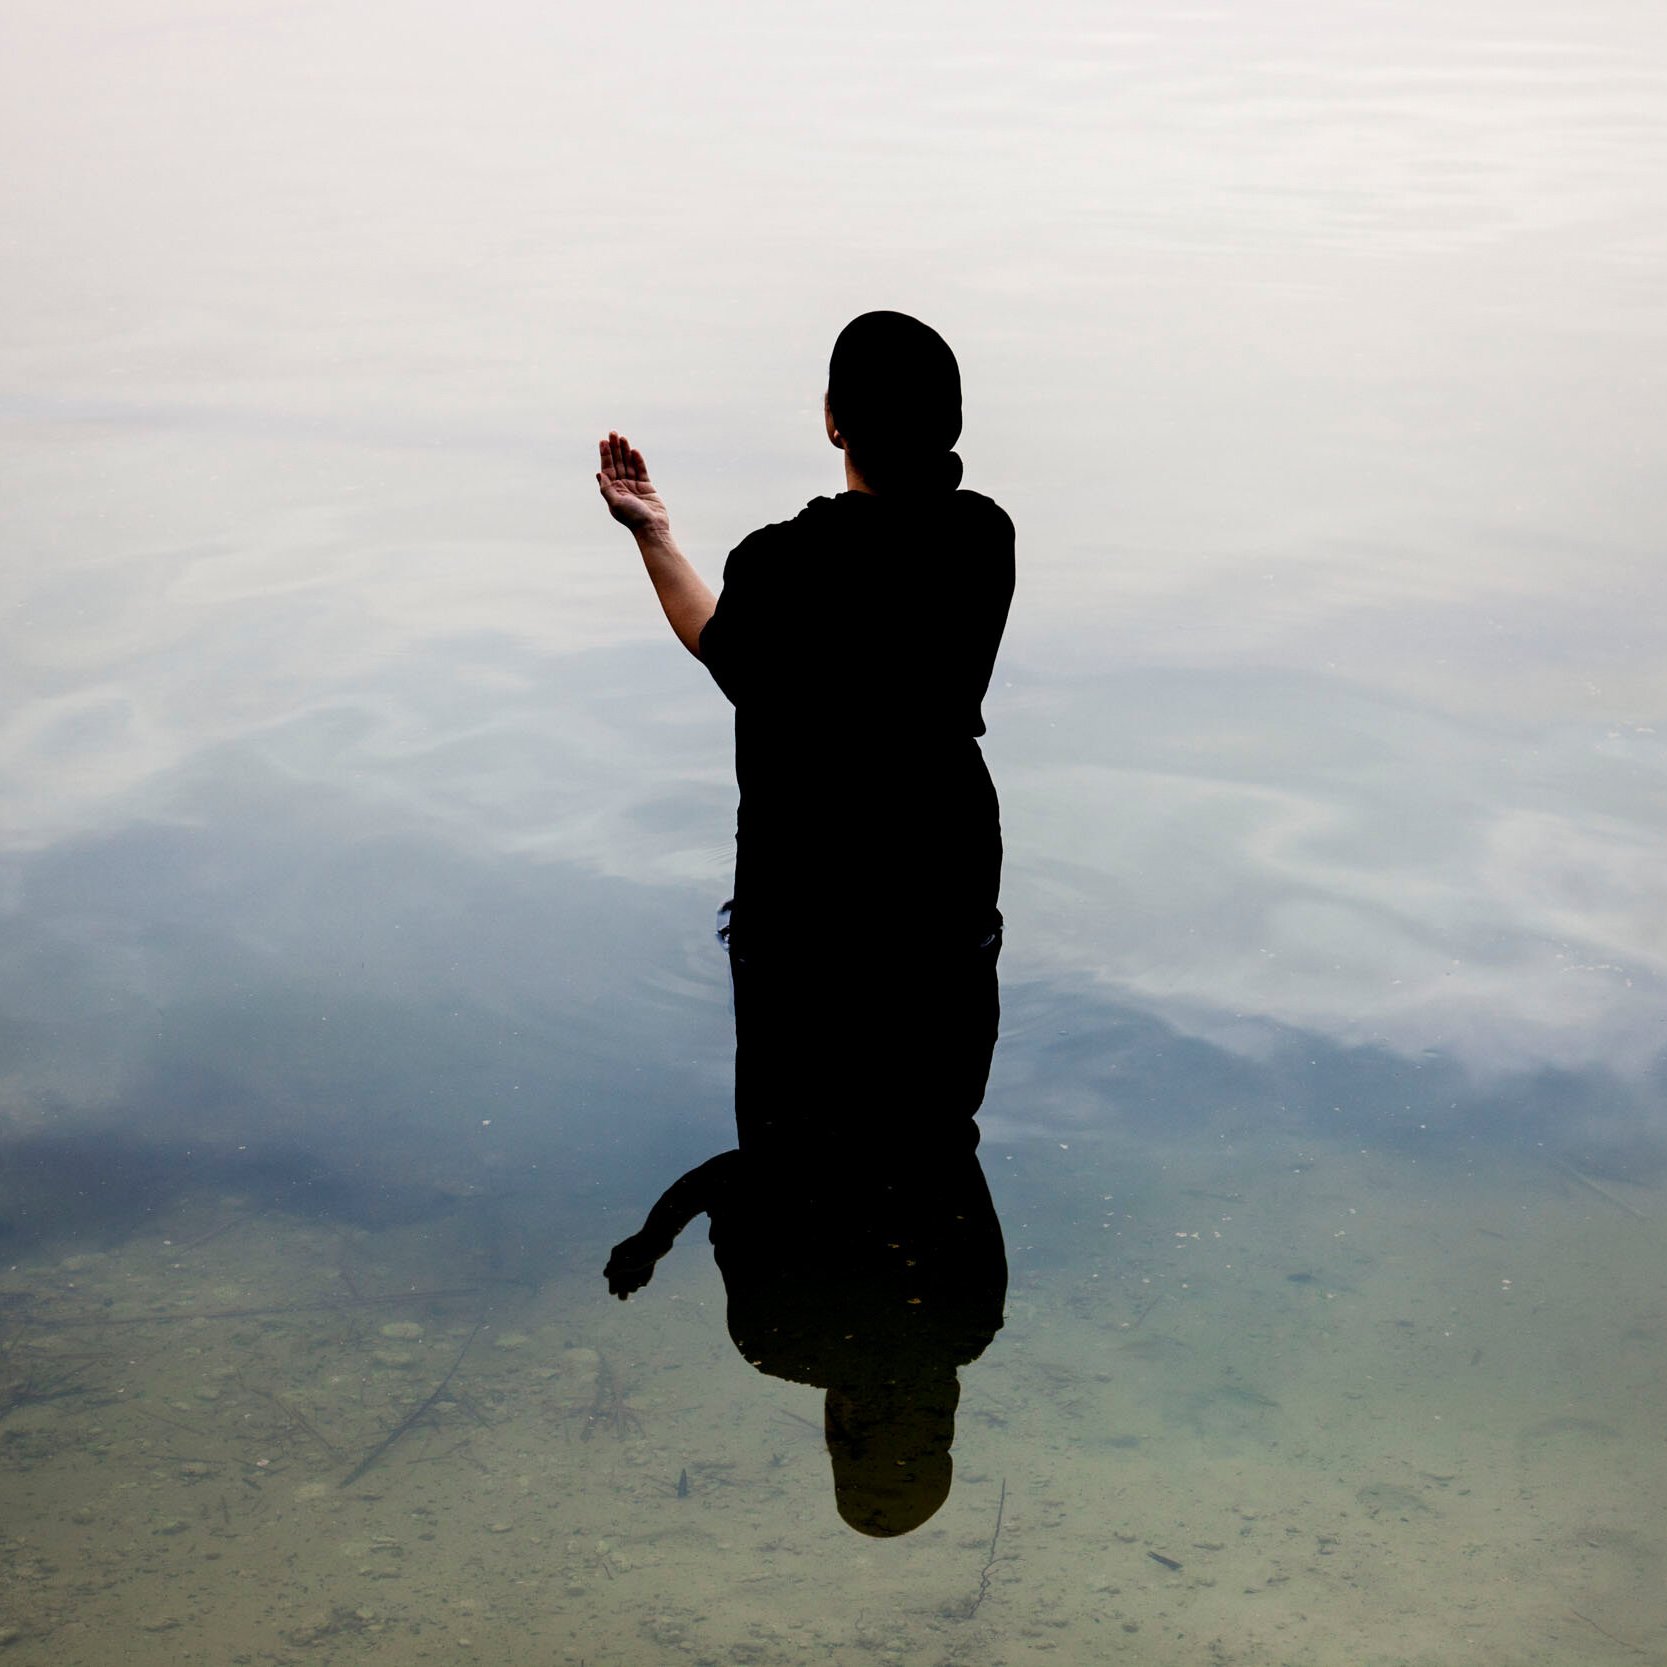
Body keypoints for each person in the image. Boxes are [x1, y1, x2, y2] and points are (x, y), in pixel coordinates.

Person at [596, 309, 1014, 1147]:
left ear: (833, 421)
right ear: (952, 423)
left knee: (791, 1165)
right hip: (942, 901)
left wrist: (651, 534)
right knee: (936, 1137)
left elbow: (723, 649)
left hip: (804, 926)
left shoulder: (776, 564)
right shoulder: (983, 539)